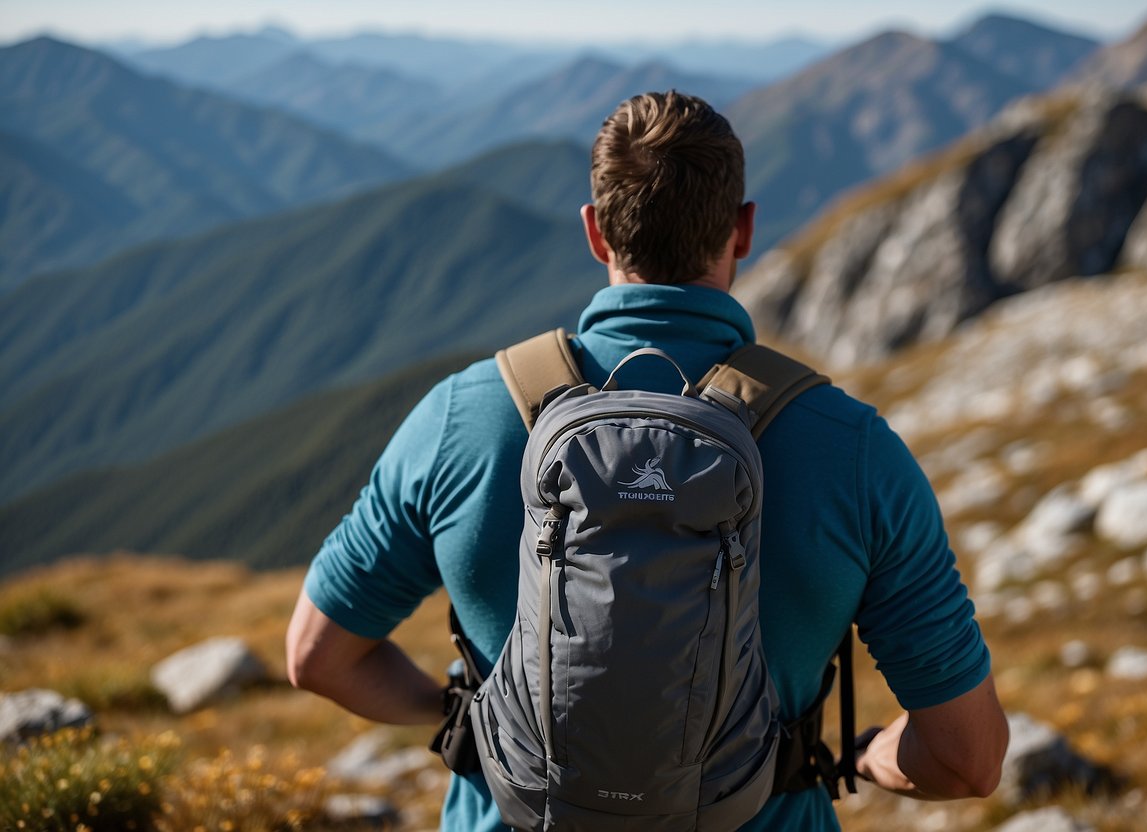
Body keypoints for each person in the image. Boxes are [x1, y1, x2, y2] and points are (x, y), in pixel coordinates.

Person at [286, 90, 1009, 830]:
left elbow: (319, 658)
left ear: (596, 233)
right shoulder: (852, 450)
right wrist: (860, 757)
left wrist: (469, 717)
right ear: (743, 230)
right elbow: (967, 758)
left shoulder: (461, 417)